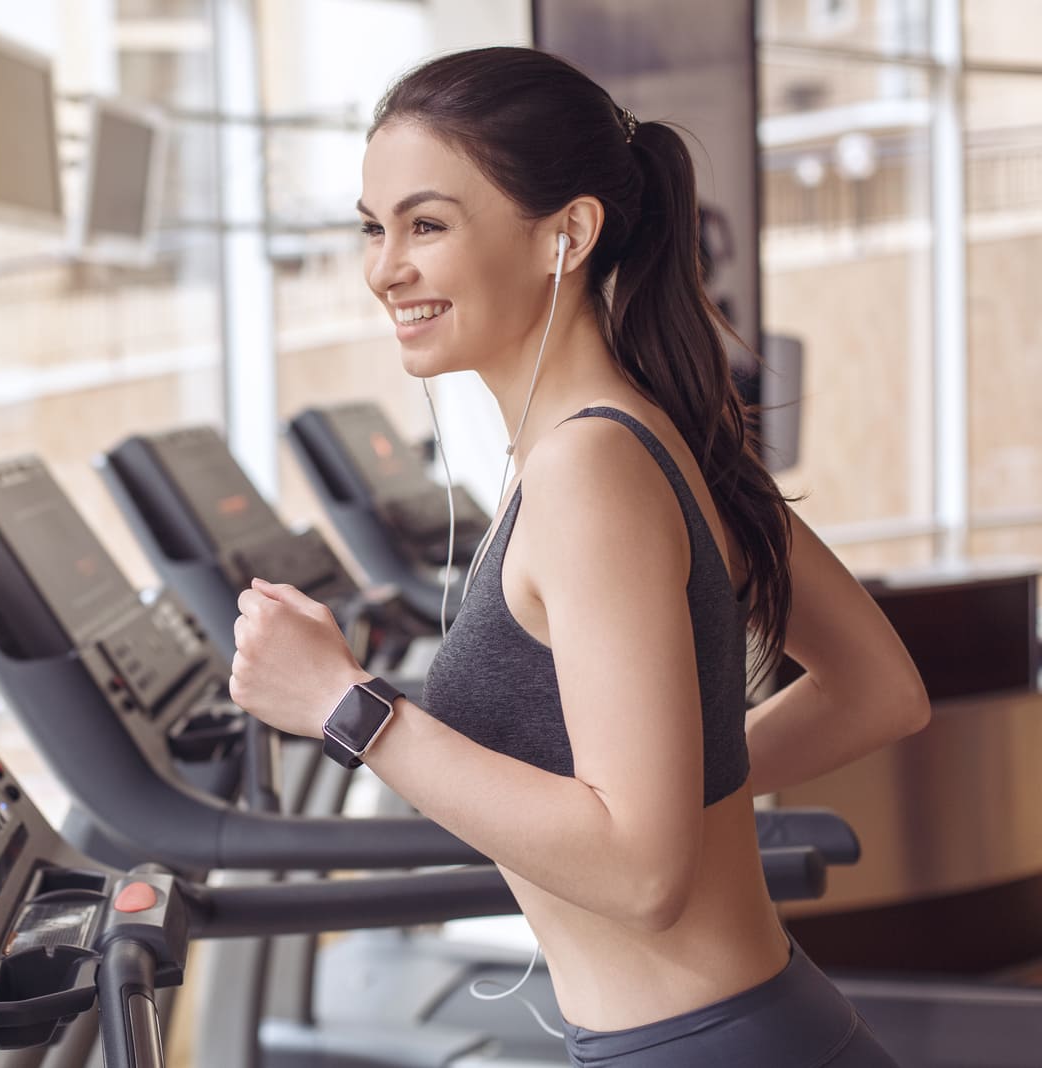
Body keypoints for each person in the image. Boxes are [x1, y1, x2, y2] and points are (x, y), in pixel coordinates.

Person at [228, 47, 929, 1068]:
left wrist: (347, 707)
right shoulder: (636, 432)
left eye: (426, 225)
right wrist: (688, 787)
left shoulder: (588, 471)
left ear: (567, 234)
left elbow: (644, 875)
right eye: (373, 229)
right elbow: (880, 690)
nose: (385, 267)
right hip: (728, 1030)